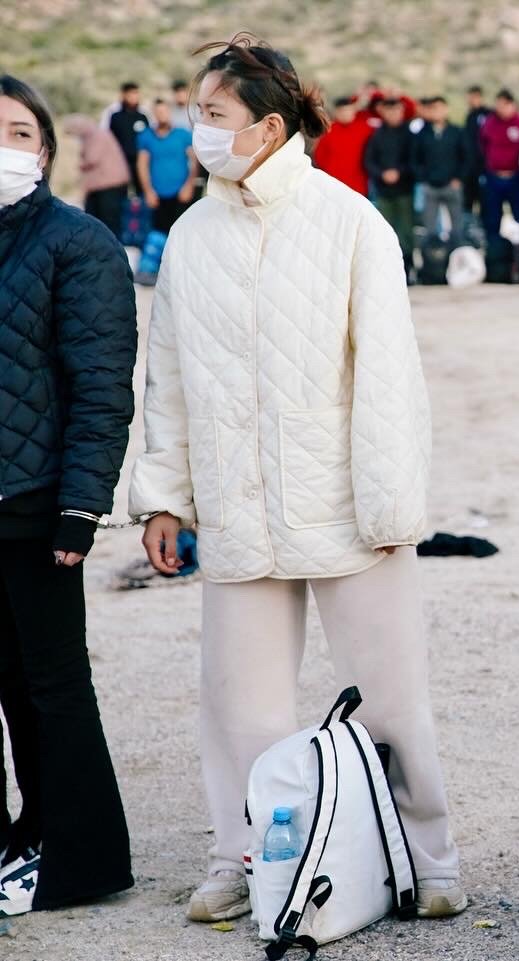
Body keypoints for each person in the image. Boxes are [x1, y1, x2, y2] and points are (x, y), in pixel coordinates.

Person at [127, 34, 465, 923]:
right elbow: (167, 378)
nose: (196, 127)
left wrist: (393, 502)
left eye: (213, 114)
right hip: (237, 504)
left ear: (268, 125)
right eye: (196, 111)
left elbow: (391, 378)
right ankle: (241, 857)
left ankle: (428, 857)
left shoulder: (351, 222)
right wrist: (164, 496)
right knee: (241, 704)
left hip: (351, 506)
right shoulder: (190, 236)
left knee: (392, 697)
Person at [0, 74, 136, 918]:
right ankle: (30, 828)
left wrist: (81, 505)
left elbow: (99, 385)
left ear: (45, 150)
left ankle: (83, 855)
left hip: (36, 499)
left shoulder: (75, 241)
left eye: (15, 130)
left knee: (51, 682)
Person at [364, 96, 417, 279]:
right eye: (389, 111)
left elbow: (415, 160)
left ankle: (408, 268)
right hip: (383, 192)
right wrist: (382, 174)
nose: (393, 114)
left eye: (396, 110)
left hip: (405, 190)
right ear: (383, 112)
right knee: (386, 231)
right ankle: (388, 270)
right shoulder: (377, 135)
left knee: (406, 231)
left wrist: (399, 172)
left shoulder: (410, 135)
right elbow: (369, 161)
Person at [412, 95, 472, 241]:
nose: (437, 112)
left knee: (457, 229)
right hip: (430, 186)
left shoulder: (457, 132)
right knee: (431, 229)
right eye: (433, 109)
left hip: (452, 185)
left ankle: (456, 255)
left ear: (446, 110)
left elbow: (468, 157)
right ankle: (434, 260)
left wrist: (459, 178)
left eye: (440, 108)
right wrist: (423, 178)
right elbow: (414, 158)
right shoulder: (422, 134)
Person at [61, 116, 131, 239]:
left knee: (108, 219)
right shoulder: (93, 135)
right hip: (102, 185)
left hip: (110, 184)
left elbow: (92, 158)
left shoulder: (96, 136)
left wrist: (80, 162)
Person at [478, 89, 519, 246]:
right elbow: (482, 145)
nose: (501, 109)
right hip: (494, 177)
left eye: (504, 105)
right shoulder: (489, 123)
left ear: (512, 104)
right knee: (493, 217)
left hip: (515, 177)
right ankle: (495, 251)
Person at [136, 99, 197, 234]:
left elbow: (194, 162)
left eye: (164, 111)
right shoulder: (146, 136)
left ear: (169, 112)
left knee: (183, 232)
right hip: (157, 195)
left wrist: (189, 185)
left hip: (181, 193)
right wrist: (148, 191)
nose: (161, 115)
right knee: (160, 235)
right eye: (158, 112)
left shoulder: (183, 134)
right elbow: (142, 165)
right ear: (154, 114)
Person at [312, 95, 374, 197]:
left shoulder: (365, 128)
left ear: (353, 111)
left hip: (359, 186)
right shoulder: (329, 131)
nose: (345, 114)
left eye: (348, 110)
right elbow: (320, 157)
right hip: (335, 187)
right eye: (341, 111)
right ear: (336, 112)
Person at [107, 81, 149, 192]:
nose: (134, 97)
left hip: (140, 163)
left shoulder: (142, 117)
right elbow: (111, 140)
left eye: (136, 93)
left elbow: (148, 140)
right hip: (121, 162)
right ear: (124, 95)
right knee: (121, 192)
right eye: (131, 94)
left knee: (142, 192)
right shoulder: (115, 117)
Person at [463, 85, 491, 235]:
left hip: (485, 167)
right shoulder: (470, 116)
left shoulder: (487, 115)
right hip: (470, 169)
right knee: (468, 203)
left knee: (484, 203)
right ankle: (469, 234)